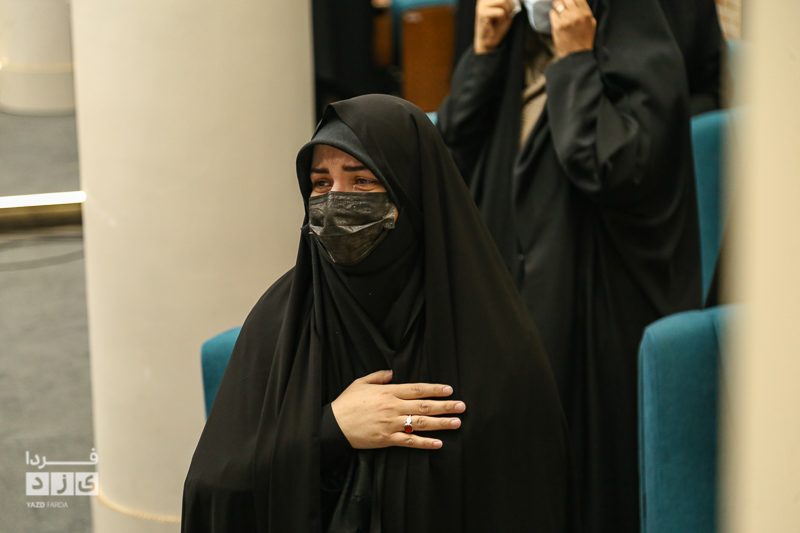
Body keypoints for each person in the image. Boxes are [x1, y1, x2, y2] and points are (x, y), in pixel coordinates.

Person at [182, 94, 578, 532]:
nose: (336, 200)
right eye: (320, 183)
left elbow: (528, 495)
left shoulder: (489, 333)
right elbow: (213, 490)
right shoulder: (284, 318)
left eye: (363, 181)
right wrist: (331, 430)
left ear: (413, 191)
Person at [437, 1, 702, 532]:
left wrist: (577, 60)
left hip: (595, 316)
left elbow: (610, 165)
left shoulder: (639, 50)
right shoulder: (512, 47)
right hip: (510, 294)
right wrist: (483, 53)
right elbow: (451, 153)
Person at [452, 0, 724, 115]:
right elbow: (456, 142)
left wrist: (577, 63)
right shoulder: (496, 15)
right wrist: (484, 55)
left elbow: (617, 161)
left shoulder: (637, 20)